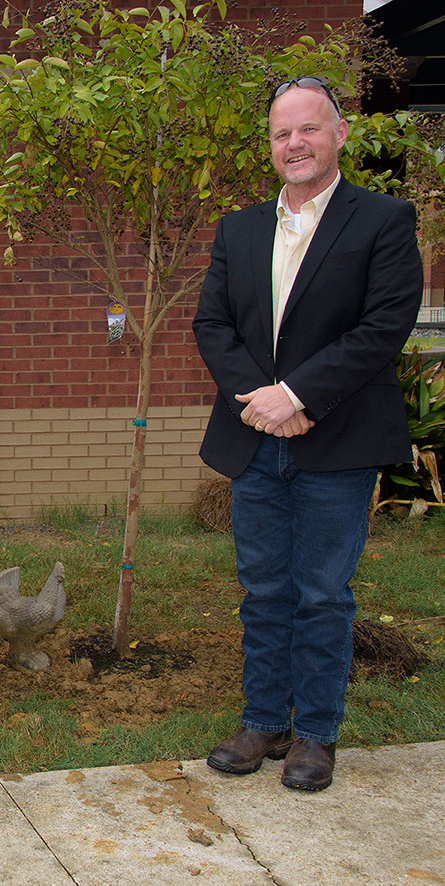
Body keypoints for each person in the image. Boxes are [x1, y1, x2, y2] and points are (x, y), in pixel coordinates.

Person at [193, 76, 423, 791]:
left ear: (339, 134)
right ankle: (262, 719)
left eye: (308, 129)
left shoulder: (383, 219)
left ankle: (316, 733)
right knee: (262, 588)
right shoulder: (238, 228)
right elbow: (212, 325)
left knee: (322, 592)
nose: (294, 143)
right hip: (256, 439)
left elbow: (383, 325)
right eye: (280, 134)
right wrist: (260, 404)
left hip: (338, 440)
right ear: (270, 147)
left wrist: (296, 395)